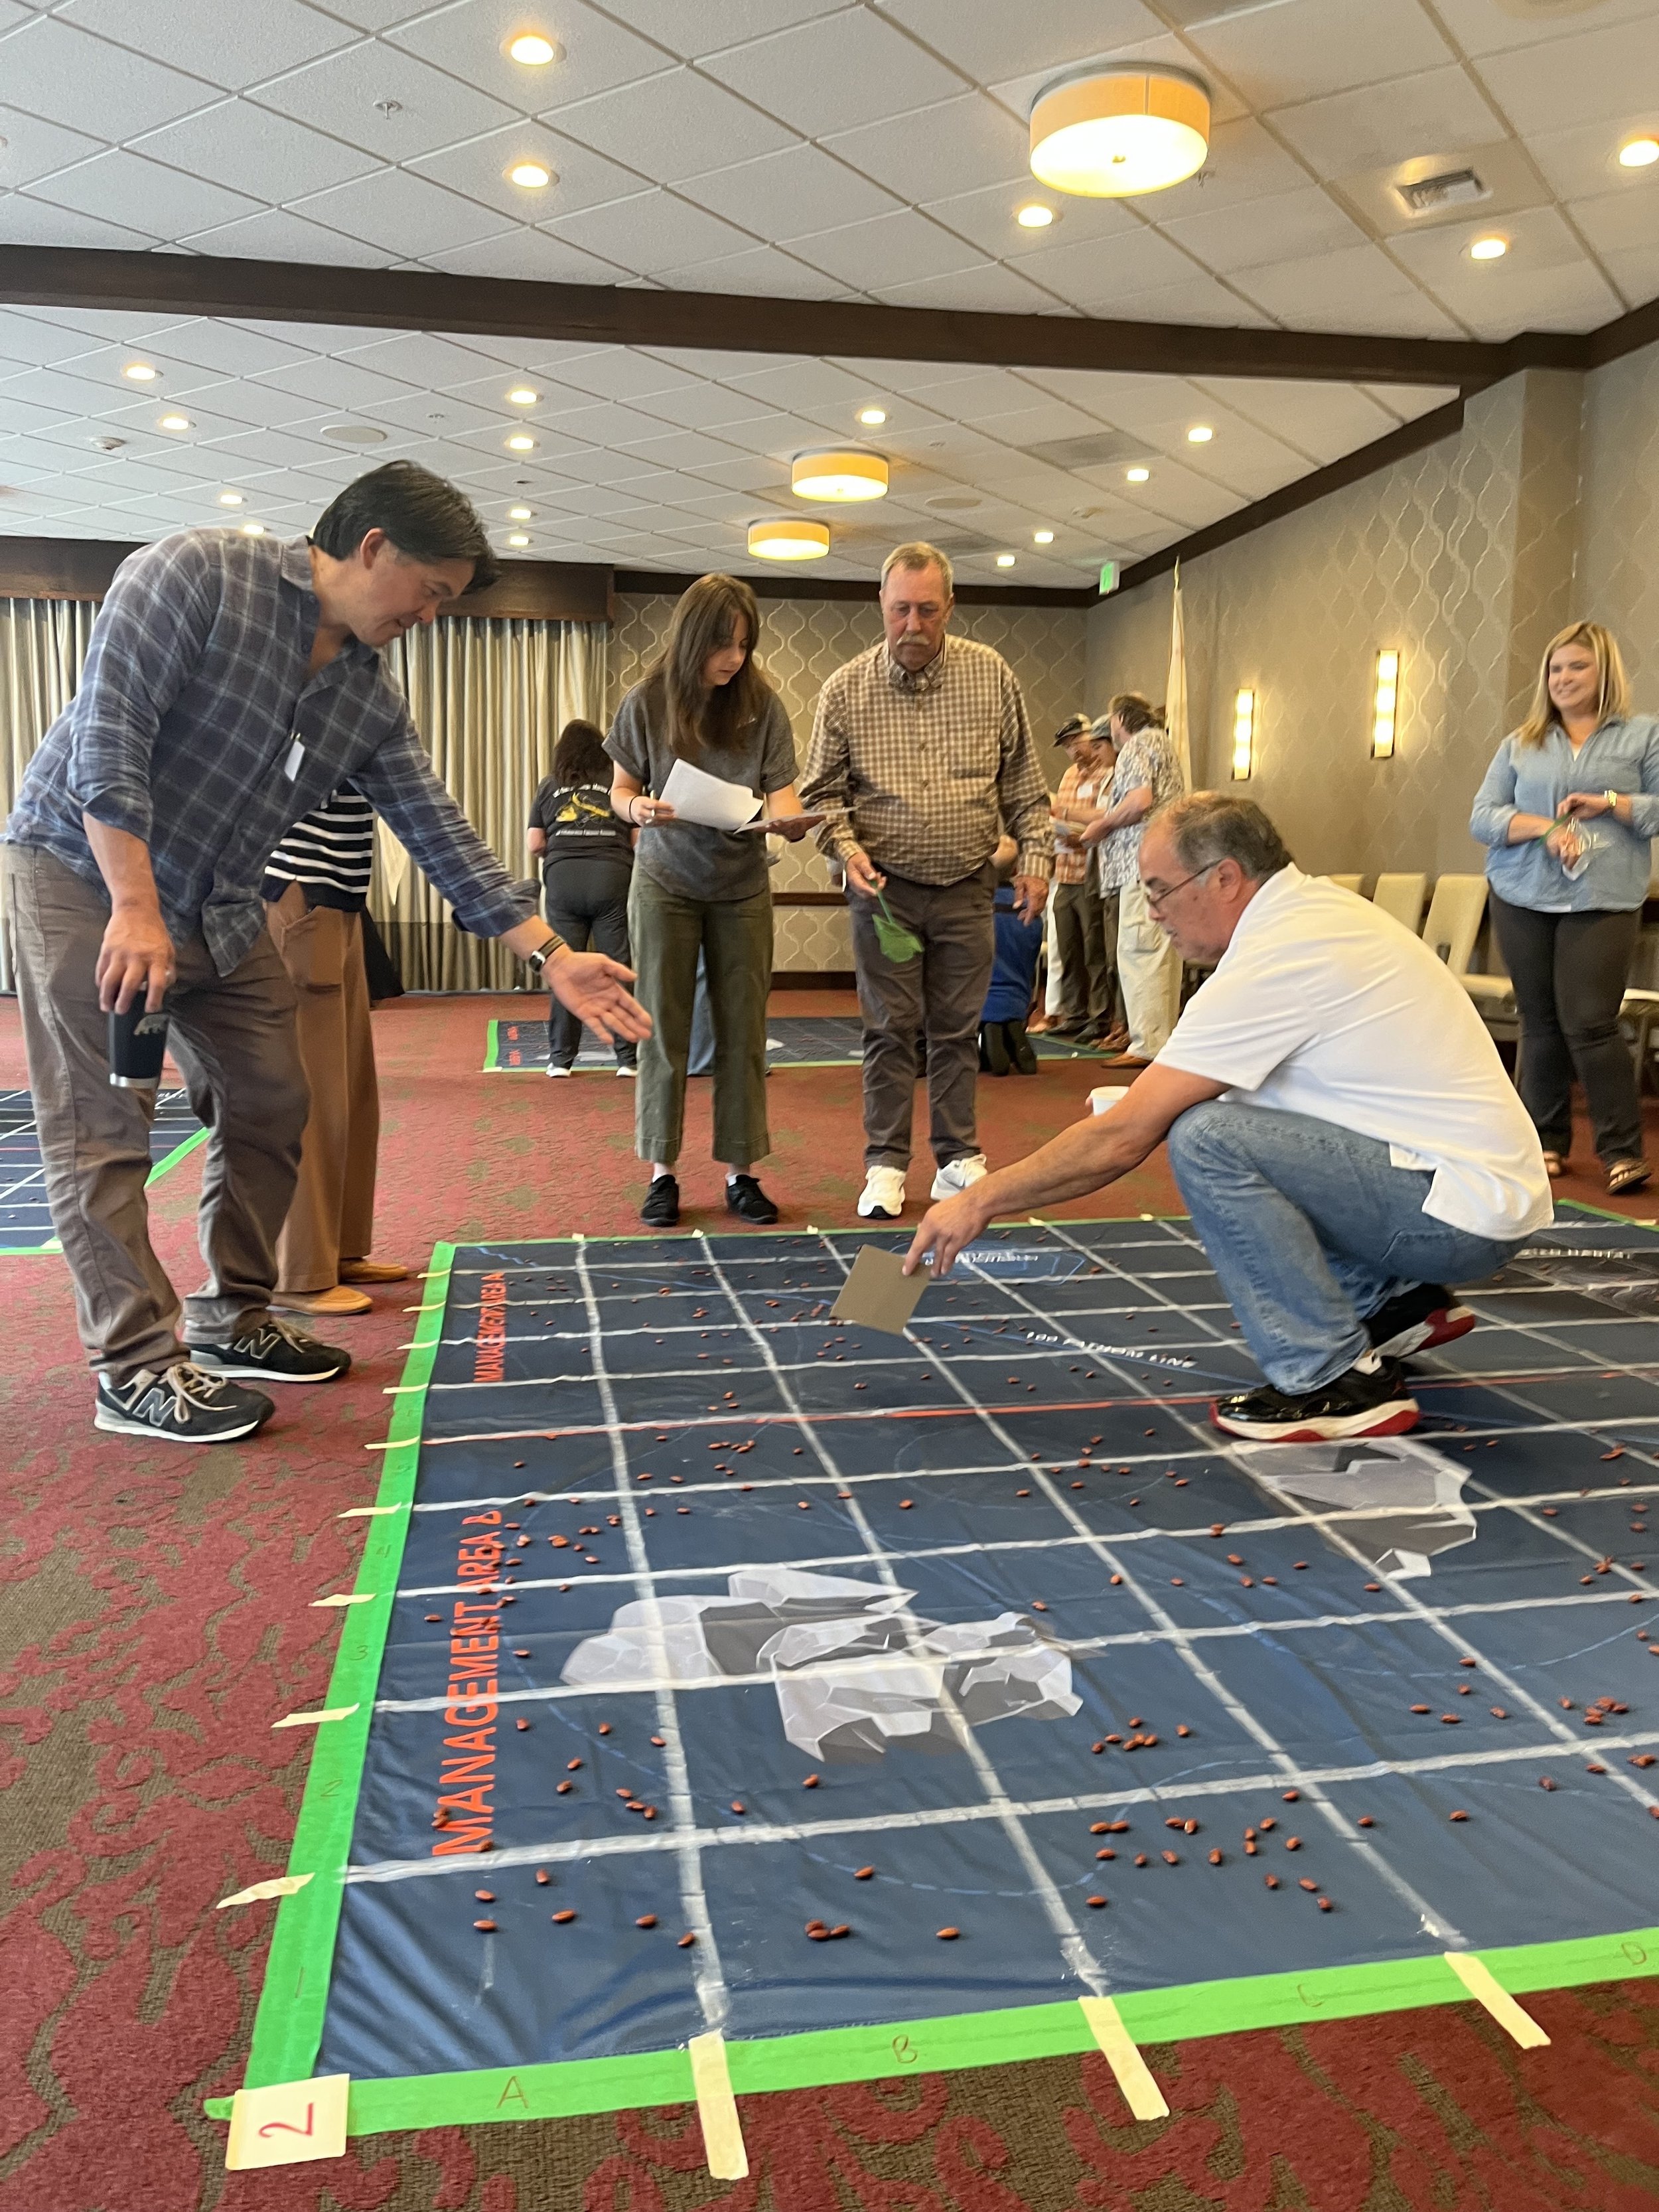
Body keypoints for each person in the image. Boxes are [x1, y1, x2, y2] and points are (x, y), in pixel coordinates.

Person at [4, 461, 648, 1446]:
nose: (429, 615)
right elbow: (110, 733)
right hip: (85, 874)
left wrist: (551, 953)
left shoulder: (367, 695)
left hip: (222, 905)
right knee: (103, 1127)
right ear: (371, 546)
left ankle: (231, 1317)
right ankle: (133, 1369)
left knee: (273, 1099)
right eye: (429, 591)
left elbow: (436, 829)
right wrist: (133, 904)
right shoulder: (195, 574)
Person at [906, 793, 1551, 1443]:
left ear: (1224, 878)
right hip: (1462, 1188)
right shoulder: (1314, 914)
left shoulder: (1277, 956)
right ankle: (1391, 1302)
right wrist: (1139, 1105)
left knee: (1207, 1139)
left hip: (1454, 1217)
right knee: (1214, 1114)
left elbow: (1123, 1139)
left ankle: (1333, 1379)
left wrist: (979, 1200)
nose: (1152, 912)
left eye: (1158, 890)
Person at [800, 543, 1054, 1221]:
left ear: (951, 608)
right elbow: (821, 795)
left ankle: (955, 1157)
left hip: (969, 884)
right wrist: (846, 850)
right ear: (881, 606)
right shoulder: (845, 688)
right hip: (883, 891)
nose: (913, 625)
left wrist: (1036, 860)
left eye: (928, 611)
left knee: (956, 1029)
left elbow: (1025, 787)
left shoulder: (991, 675)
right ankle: (885, 1163)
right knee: (889, 1030)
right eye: (900, 610)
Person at [606, 572, 808, 1228]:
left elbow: (782, 795)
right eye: (724, 644)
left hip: (741, 883)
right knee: (661, 1028)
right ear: (693, 638)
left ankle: (741, 1173)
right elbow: (620, 790)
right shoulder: (646, 699)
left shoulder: (762, 704)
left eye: (745, 645)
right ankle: (661, 1173)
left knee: (743, 1032)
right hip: (664, 880)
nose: (735, 659)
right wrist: (636, 809)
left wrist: (789, 822)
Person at [1470, 620, 1659, 1196]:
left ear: (1604, 672)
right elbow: (1483, 817)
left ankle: (1621, 1151)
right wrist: (1545, 828)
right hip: (1521, 894)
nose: (1563, 678)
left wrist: (1612, 803)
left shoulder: (1642, 735)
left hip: (1602, 897)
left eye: (1577, 666)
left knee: (1591, 1021)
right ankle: (1543, 1141)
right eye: (1555, 668)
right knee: (1540, 1019)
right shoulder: (1521, 742)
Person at [263, 781, 406, 1320]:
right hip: (296, 889)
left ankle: (337, 1251)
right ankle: (297, 1272)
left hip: (337, 897)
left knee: (352, 1093)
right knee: (311, 1096)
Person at [528, 717, 638, 1079]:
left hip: (564, 880)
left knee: (564, 967)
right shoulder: (618, 783)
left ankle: (560, 1060)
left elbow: (534, 843)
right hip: (611, 877)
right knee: (617, 965)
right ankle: (627, 1059)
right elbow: (638, 840)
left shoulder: (549, 785)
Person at [1081, 694, 1185, 1068]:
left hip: (1141, 866)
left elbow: (1140, 800)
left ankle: (1147, 1045)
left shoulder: (1137, 745)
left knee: (1140, 951)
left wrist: (1103, 826)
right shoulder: (1163, 744)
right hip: (1165, 864)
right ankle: (1159, 1042)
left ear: (1122, 719)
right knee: (1159, 954)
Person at [1049, 713, 1120, 1044]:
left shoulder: (1109, 772)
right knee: (1068, 949)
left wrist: (1071, 822)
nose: (1074, 750)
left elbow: (1107, 817)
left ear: (1093, 739)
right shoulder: (1068, 776)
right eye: (1067, 745)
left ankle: (1099, 1016)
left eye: (1077, 742)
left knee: (1094, 950)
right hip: (1064, 871)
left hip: (1091, 873)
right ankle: (1074, 1014)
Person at [979, 835, 1042, 1076]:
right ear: (1016, 869)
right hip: (1018, 996)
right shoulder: (1030, 908)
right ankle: (1017, 1038)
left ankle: (986, 1044)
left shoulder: (975, 907)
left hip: (982, 998)